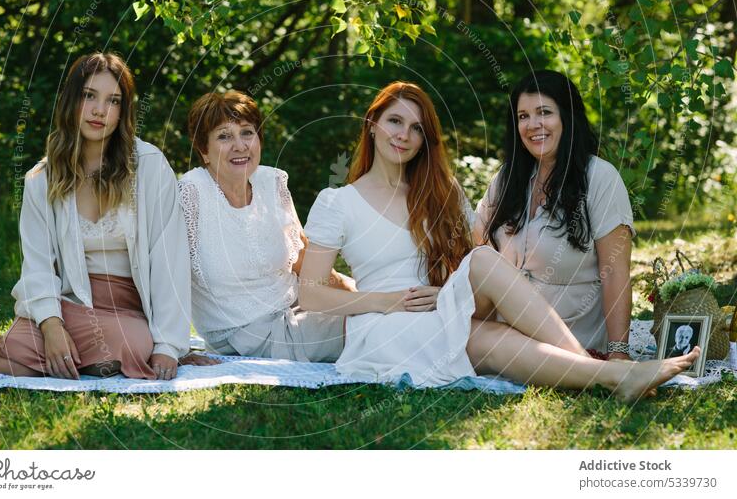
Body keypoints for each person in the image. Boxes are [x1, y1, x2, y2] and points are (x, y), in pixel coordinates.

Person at [297, 81, 699, 401]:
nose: (404, 135)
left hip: (439, 311)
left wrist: (444, 293)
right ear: (372, 125)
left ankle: (607, 373)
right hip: (382, 325)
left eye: (417, 128)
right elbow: (312, 295)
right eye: (394, 122)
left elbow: (470, 256)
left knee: (485, 266)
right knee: (487, 326)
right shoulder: (337, 202)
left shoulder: (439, 191)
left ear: (426, 139)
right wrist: (386, 301)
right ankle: (608, 375)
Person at [0, 52, 212, 380]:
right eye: (89, 96)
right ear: (71, 101)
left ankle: (30, 353)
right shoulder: (41, 179)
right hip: (69, 302)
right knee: (30, 356)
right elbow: (37, 265)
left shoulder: (151, 166)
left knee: (135, 344)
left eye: (113, 101)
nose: (100, 110)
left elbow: (170, 258)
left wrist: (167, 344)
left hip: (129, 307)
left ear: (123, 111)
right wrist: (52, 328)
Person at [178, 91, 353, 363]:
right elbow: (164, 277)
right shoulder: (191, 193)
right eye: (224, 136)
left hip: (298, 308)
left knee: (383, 298)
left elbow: (302, 259)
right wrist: (174, 347)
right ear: (204, 151)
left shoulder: (271, 182)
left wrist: (352, 292)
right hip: (246, 335)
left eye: (247, 133)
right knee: (370, 325)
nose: (240, 145)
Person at [474, 70, 634, 360]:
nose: (532, 125)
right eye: (523, 116)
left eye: (544, 112)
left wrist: (619, 352)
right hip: (506, 332)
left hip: (572, 335)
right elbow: (475, 248)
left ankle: (589, 366)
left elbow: (615, 273)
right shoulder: (508, 179)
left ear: (567, 118)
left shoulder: (600, 177)